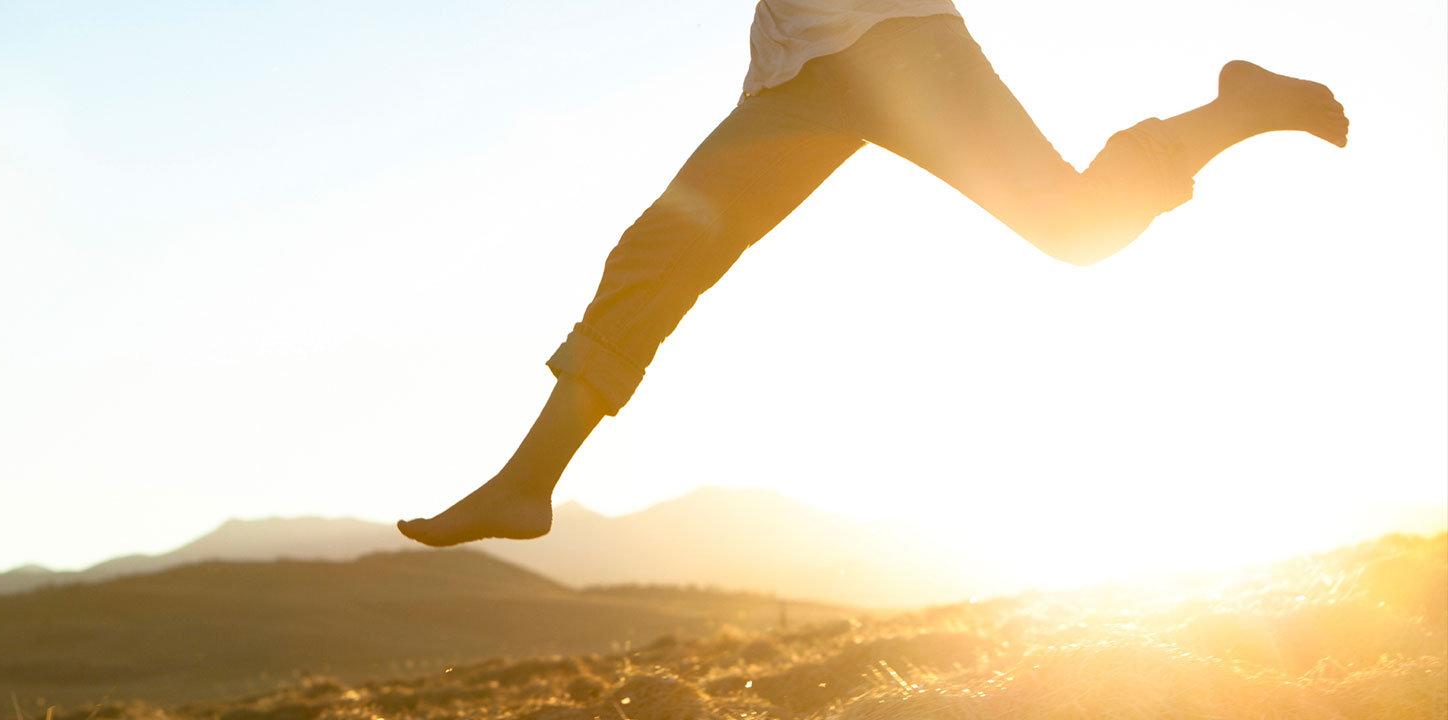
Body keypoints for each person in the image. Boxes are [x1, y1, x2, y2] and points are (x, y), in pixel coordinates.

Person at [397, 1, 1348, 547]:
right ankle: (528, 483)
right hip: (794, 79)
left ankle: (1236, 112)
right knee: (661, 250)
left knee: (1073, 228)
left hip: (896, 39)